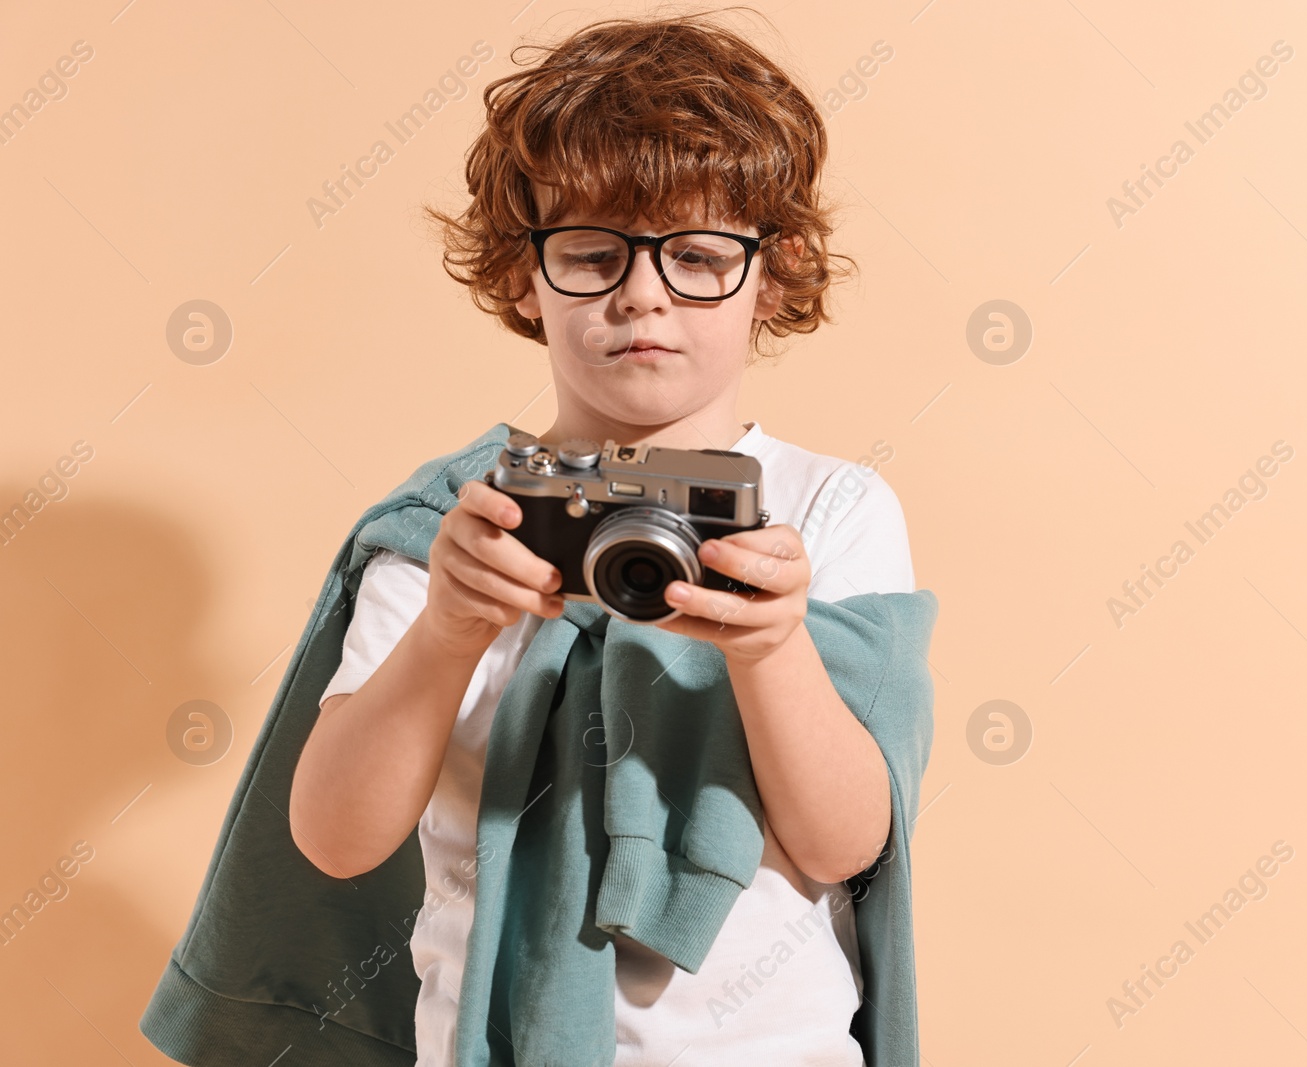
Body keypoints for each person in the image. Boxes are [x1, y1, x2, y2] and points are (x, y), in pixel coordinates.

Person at [287, 10, 918, 1066]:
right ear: (521, 273)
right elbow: (335, 837)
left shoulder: (828, 510)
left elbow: (846, 840)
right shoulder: (460, 520)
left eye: (700, 255)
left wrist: (770, 648)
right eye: (590, 253)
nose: (642, 294)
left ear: (776, 268)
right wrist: (447, 626)